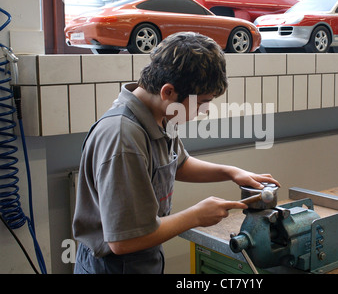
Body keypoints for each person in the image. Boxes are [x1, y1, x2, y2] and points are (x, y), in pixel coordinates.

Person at [72, 32, 279, 274]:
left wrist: (231, 172)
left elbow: (178, 164)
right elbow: (123, 241)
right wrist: (196, 216)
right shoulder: (123, 138)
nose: (204, 110)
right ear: (168, 92)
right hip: (113, 267)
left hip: (142, 261)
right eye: (201, 102)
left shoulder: (159, 115)